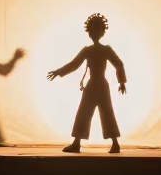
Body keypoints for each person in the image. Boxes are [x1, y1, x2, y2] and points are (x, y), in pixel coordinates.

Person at [48, 13, 127, 154]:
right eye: (91, 31)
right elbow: (74, 65)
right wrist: (58, 72)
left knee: (105, 113)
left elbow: (118, 64)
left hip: (99, 85)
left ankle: (113, 144)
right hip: (95, 86)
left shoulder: (101, 50)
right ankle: (78, 143)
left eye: (96, 30)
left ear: (101, 31)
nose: (93, 33)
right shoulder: (89, 50)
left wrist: (121, 82)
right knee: (85, 113)